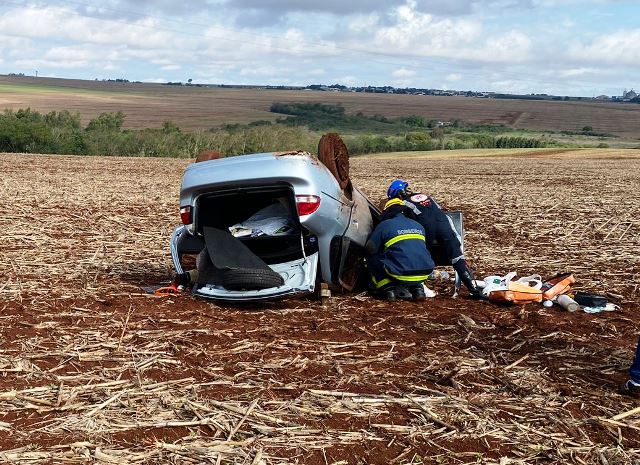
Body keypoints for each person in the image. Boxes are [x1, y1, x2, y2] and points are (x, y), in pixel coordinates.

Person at [386, 179, 481, 298]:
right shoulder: (426, 196)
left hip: (426, 227)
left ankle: (417, 286)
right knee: (458, 258)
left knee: (416, 253)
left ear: (396, 194)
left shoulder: (403, 203)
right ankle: (475, 290)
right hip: (444, 223)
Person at [365, 198, 435, 301]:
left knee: (372, 259)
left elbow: (370, 249)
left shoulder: (385, 225)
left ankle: (388, 290)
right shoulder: (418, 225)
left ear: (388, 211)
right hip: (425, 272)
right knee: (413, 258)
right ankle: (418, 289)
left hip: (401, 272)